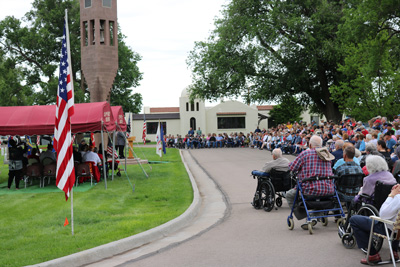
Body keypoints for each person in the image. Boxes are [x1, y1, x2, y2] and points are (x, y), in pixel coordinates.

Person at [286, 135, 335, 229]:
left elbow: (292, 167)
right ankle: (316, 215)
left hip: (309, 189)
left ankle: (306, 214)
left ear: (310, 144)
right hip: (327, 189)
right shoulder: (327, 155)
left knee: (289, 195)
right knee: (319, 195)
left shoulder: (305, 154)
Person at [350, 184, 400, 264]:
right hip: (397, 232)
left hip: (390, 230)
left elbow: (382, 214)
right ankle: (394, 251)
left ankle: (373, 254)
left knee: (354, 220)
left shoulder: (398, 198)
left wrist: (391, 195)